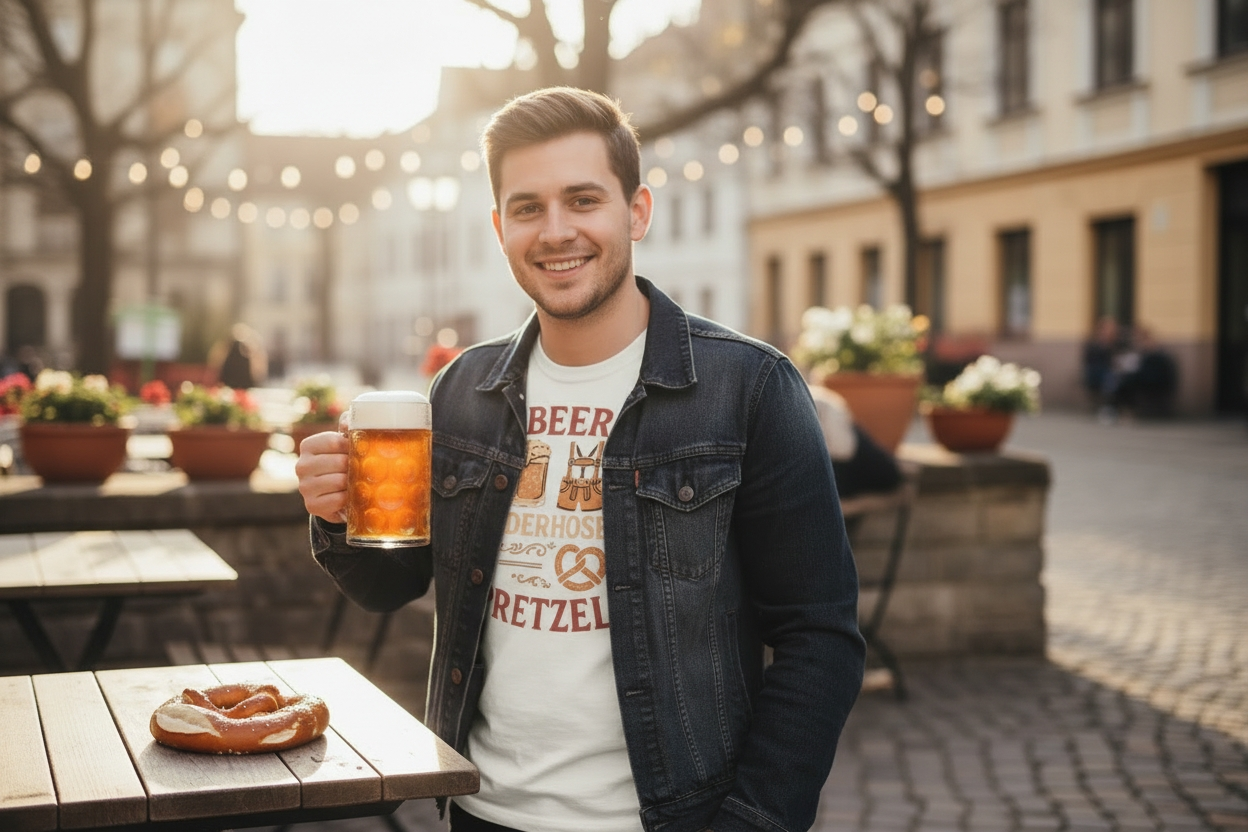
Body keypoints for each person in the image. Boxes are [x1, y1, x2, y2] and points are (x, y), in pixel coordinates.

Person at [297, 87, 864, 832]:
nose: (555, 231)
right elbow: (390, 583)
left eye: (583, 199)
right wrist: (338, 516)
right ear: (500, 229)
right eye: (528, 208)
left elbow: (818, 636)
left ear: (637, 212)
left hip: (671, 818)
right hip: (480, 811)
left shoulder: (749, 389)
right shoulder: (462, 390)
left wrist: (755, 820)